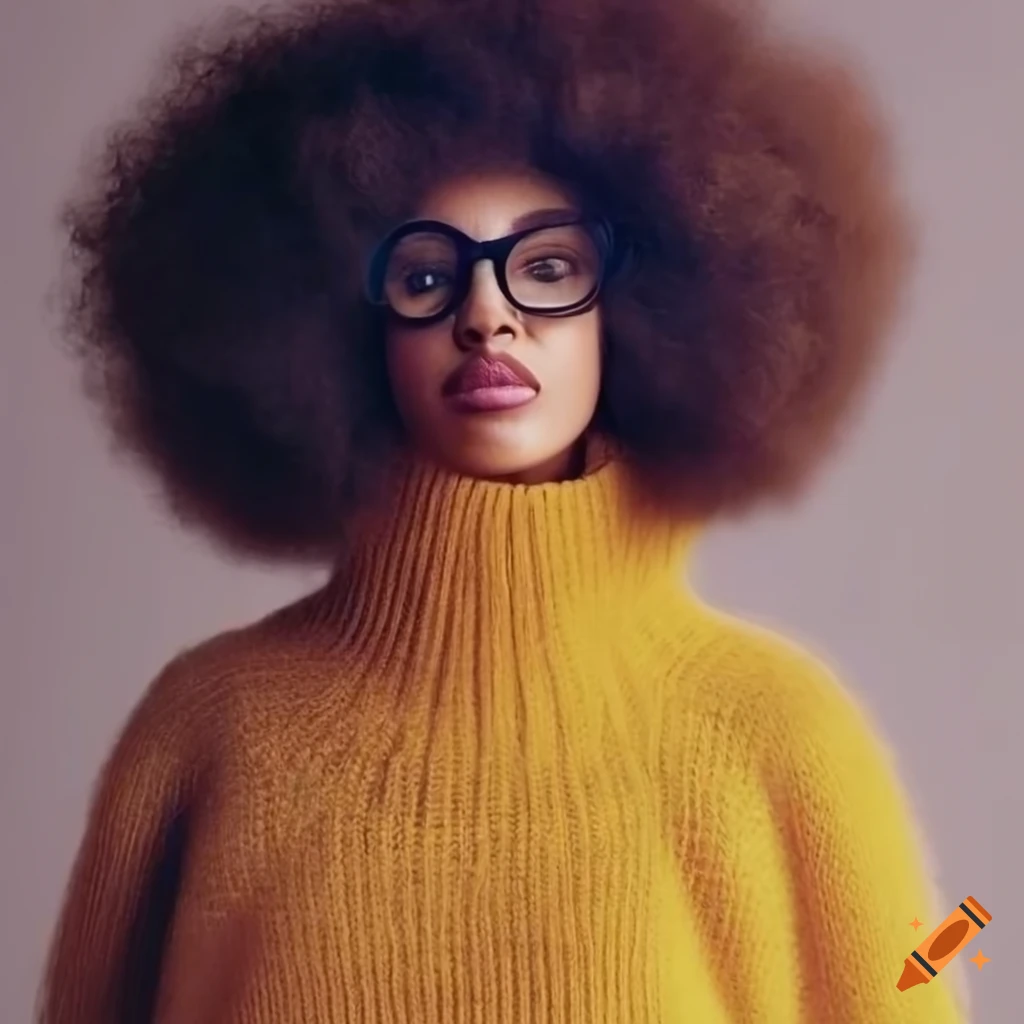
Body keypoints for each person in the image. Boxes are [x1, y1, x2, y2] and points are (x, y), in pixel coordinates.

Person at [39, 0, 964, 1021]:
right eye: (426, 276)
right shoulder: (208, 731)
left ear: (641, 311)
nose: (487, 314)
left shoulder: (778, 736)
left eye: (550, 267)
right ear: (341, 328)